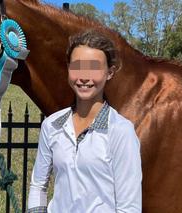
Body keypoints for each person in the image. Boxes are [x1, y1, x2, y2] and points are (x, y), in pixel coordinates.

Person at [27, 30, 142, 213]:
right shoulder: (52, 125)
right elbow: (38, 185)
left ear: (109, 73)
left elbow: (129, 208)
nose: (84, 77)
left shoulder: (121, 131)